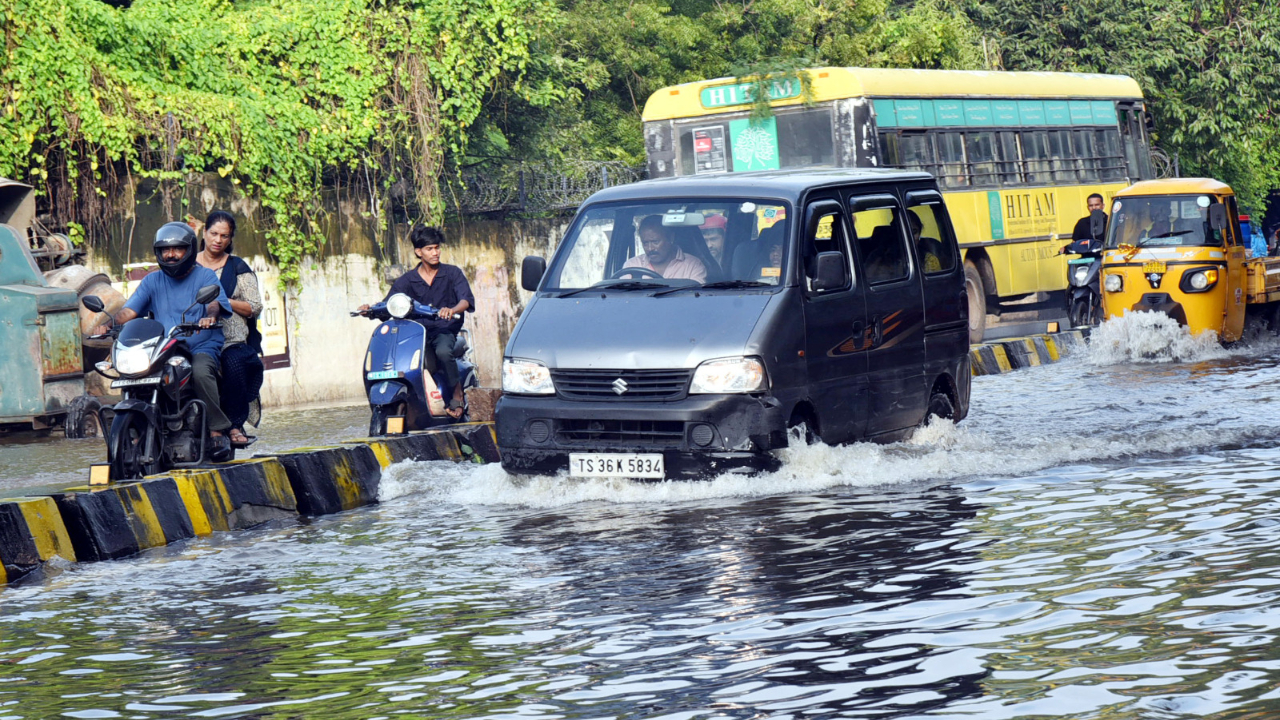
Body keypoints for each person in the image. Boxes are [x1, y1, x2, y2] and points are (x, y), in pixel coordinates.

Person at [92, 222, 234, 460]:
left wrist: (209, 318)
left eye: (178, 249)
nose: (171, 255)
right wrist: (110, 324)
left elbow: (213, 303)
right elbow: (129, 311)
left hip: (199, 344)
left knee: (200, 371)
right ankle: (137, 431)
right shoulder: (152, 281)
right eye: (165, 250)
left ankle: (216, 430)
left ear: (188, 249)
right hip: (163, 348)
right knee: (132, 375)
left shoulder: (204, 275)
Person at [359, 226, 474, 418]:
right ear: (418, 252)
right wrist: (369, 309)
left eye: (437, 248)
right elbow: (390, 304)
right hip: (415, 333)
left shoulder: (452, 273)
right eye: (430, 249)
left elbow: (465, 300)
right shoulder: (407, 280)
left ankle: (456, 394)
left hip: (442, 331)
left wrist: (451, 310)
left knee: (443, 352)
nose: (435, 252)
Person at [196, 210, 263, 447]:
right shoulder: (187, 265)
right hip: (194, 337)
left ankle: (234, 424)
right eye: (214, 233)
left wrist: (223, 299)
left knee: (234, 363)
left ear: (230, 239)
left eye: (224, 236)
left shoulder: (237, 267)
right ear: (204, 233)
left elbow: (254, 306)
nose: (218, 240)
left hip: (231, 340)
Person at [622, 215, 707, 282]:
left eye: (655, 242)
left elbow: (697, 299)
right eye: (645, 243)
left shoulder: (692, 265)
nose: (650, 248)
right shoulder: (632, 266)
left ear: (671, 238)